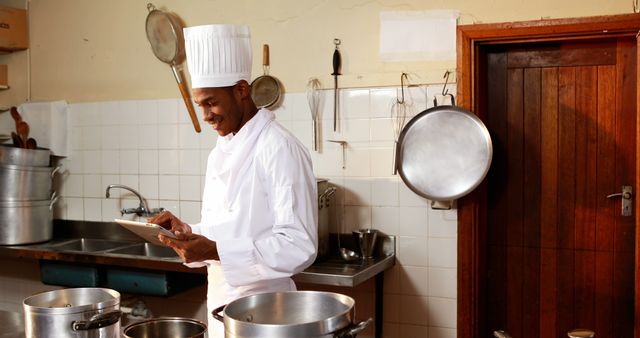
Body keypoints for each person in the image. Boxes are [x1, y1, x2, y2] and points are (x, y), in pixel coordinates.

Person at [148, 24, 318, 337]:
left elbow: (298, 245)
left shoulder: (278, 148)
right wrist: (187, 233)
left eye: (211, 102)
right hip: (222, 304)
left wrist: (214, 251)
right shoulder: (222, 149)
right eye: (200, 105)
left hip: (268, 313)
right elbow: (228, 230)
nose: (206, 115)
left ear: (241, 90)